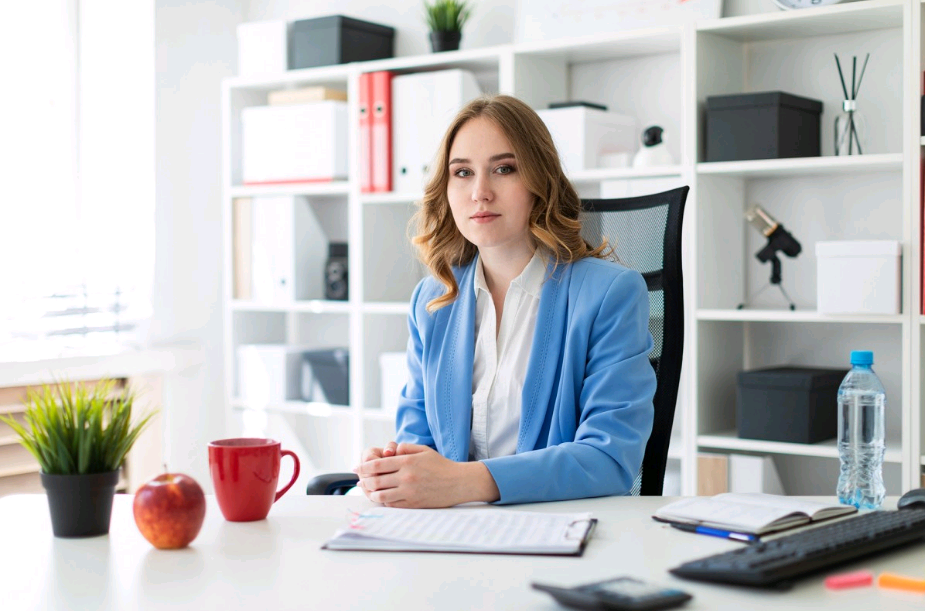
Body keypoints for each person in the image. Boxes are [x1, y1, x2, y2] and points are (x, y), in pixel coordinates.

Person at [354, 94, 656, 508]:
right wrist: (395, 470)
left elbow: (609, 458)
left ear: (539, 181)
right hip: (452, 535)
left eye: (504, 169)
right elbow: (419, 441)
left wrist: (466, 482)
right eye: (462, 172)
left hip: (558, 533)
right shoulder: (433, 300)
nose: (480, 192)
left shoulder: (609, 294)